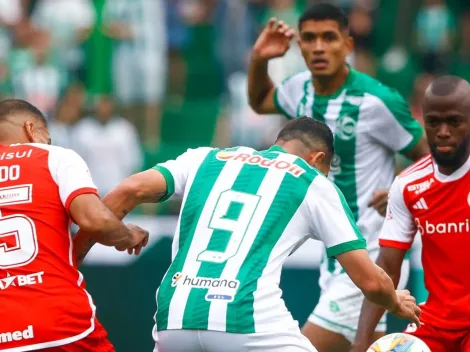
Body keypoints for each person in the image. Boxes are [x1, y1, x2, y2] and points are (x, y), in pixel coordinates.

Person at [75, 117, 421, 352]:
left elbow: (129, 189)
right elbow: (371, 283)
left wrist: (84, 252)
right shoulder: (312, 181)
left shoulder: (206, 158)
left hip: (173, 320)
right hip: (246, 321)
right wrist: (395, 301)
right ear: (318, 159)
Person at [247, 3, 429, 349]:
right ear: (299, 46)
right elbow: (259, 101)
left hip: (372, 253)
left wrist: (398, 186)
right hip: (333, 256)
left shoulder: (377, 100)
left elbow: (431, 156)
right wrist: (259, 59)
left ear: (347, 45)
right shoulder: (299, 89)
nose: (318, 47)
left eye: (328, 37)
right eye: (310, 38)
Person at [0, 99, 149, 351]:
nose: (48, 143)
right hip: (59, 322)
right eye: (47, 137)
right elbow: (96, 220)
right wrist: (127, 236)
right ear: (30, 129)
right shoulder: (55, 157)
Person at [351, 76, 470, 352]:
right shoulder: (408, 185)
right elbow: (388, 268)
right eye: (433, 122)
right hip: (435, 323)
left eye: (454, 122)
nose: (442, 131)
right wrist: (360, 342)